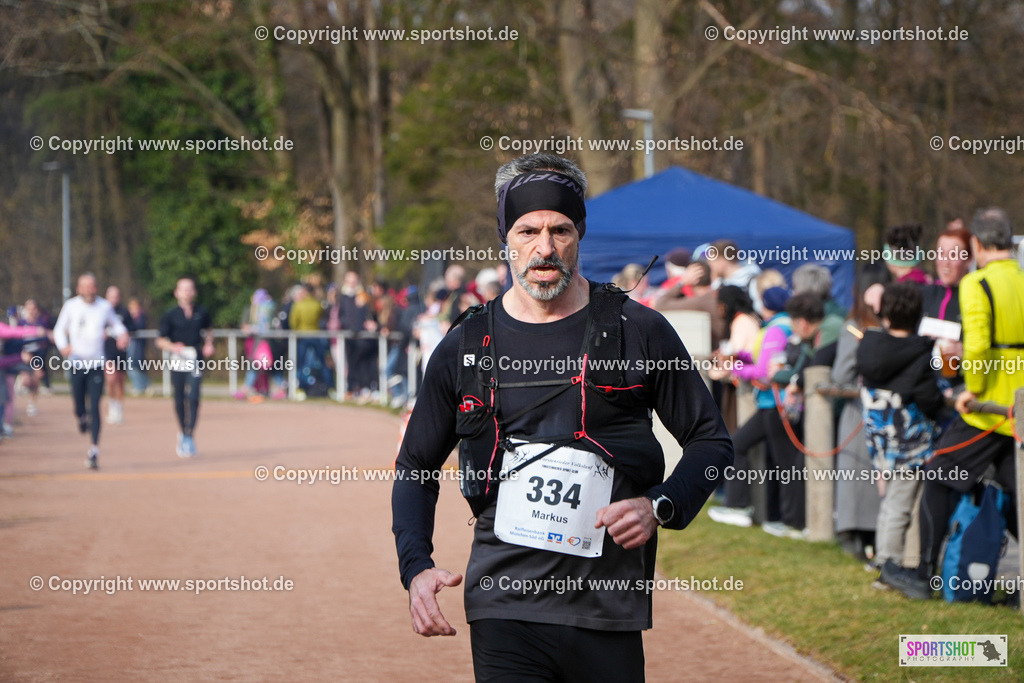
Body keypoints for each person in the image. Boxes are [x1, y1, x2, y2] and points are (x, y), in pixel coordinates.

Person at [392, 153, 732, 680]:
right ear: (506, 238)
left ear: (580, 234)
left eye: (560, 230)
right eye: (528, 231)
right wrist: (415, 566)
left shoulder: (638, 330)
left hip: (607, 607)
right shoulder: (465, 345)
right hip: (503, 606)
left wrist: (659, 505)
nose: (545, 248)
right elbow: (416, 464)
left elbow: (711, 441)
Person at [887, 208, 1024, 600]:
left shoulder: (978, 283)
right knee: (1017, 493)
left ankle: (924, 575)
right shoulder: (1021, 279)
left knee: (937, 475)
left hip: (989, 409)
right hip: (1019, 409)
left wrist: (971, 391)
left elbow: (977, 345)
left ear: (976, 244)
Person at [857, 283, 943, 588]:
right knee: (900, 506)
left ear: (885, 313)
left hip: (879, 441)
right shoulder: (920, 353)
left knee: (890, 502)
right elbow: (930, 399)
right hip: (909, 445)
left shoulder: (868, 345)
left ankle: (884, 559)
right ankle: (890, 568)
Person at [708, 287, 802, 536]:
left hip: (776, 404)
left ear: (767, 305)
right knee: (761, 453)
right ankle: (763, 513)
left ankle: (790, 522)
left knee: (783, 462)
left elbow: (763, 372)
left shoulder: (776, 329)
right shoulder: (780, 326)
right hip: (773, 404)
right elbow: (761, 360)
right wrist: (738, 357)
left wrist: (734, 367)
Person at [832, 265, 889, 562]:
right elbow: (842, 376)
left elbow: (841, 375)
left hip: (866, 413)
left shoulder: (856, 325)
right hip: (869, 414)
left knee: (863, 484)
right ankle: (865, 543)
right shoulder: (859, 326)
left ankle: (864, 542)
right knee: (863, 482)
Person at [53, 273, 130, 469]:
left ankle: (94, 450)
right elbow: (59, 330)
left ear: (96, 288)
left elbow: (117, 325)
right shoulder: (71, 306)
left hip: (96, 364)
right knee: (79, 406)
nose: (89, 290)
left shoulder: (104, 307)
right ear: (78, 289)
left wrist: (122, 335)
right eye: (85, 286)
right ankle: (81, 417)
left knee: (95, 407)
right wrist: (63, 346)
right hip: (77, 363)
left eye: (92, 286)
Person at [155, 278, 214, 458]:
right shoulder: (170, 315)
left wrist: (209, 344)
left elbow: (209, 331)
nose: (187, 292)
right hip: (178, 360)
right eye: (183, 289)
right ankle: (182, 431)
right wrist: (173, 347)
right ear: (177, 293)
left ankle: (189, 435)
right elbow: (160, 341)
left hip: (195, 358)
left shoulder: (202, 312)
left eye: (190, 289)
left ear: (194, 292)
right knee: (179, 398)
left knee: (194, 397)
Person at [102, 285, 135, 424]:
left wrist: (125, 335)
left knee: (120, 381)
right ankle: (112, 407)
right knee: (111, 379)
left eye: (116, 296)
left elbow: (132, 328)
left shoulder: (124, 312)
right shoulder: (101, 312)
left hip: (121, 351)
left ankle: (119, 409)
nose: (113, 299)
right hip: (107, 350)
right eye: (111, 296)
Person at [125, 297, 151, 395]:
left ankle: (141, 386)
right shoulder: (128, 317)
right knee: (132, 366)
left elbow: (137, 328)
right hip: (130, 343)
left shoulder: (141, 317)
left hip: (137, 344)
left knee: (133, 365)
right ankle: (143, 385)